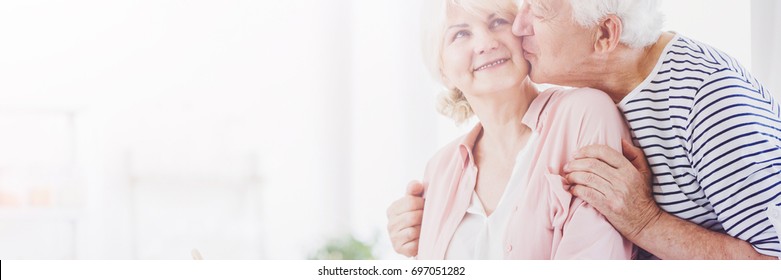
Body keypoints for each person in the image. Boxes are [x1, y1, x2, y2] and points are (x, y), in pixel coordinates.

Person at [388, 0, 781, 259]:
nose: (517, 27)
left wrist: (646, 223)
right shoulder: (605, 95)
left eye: (536, 12)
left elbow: (773, 261)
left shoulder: (707, 99)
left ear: (605, 35)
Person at [400, 0, 632, 259]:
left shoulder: (585, 115)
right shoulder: (439, 169)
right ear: (442, 68)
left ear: (524, 29)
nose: (486, 43)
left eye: (498, 21)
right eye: (461, 33)